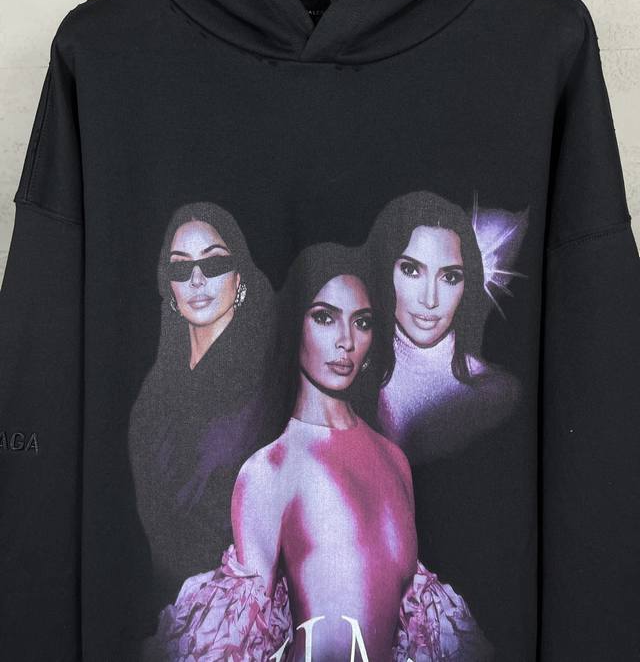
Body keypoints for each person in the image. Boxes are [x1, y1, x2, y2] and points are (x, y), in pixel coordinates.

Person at [141, 242, 493, 662]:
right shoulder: (269, 468)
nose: (346, 341)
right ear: (296, 327)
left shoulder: (393, 460)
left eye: (361, 322)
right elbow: (238, 642)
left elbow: (417, 631)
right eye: (325, 317)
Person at [128, 201, 279, 608]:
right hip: (155, 603)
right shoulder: (153, 391)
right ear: (169, 286)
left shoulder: (268, 382)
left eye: (213, 264)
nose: (196, 279)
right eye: (181, 268)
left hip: (238, 608)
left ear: (239, 276)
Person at [365, 190, 525, 465]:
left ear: (467, 283)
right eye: (411, 270)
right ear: (384, 270)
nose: (430, 300)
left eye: (449, 277)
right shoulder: (346, 370)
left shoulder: (495, 395)